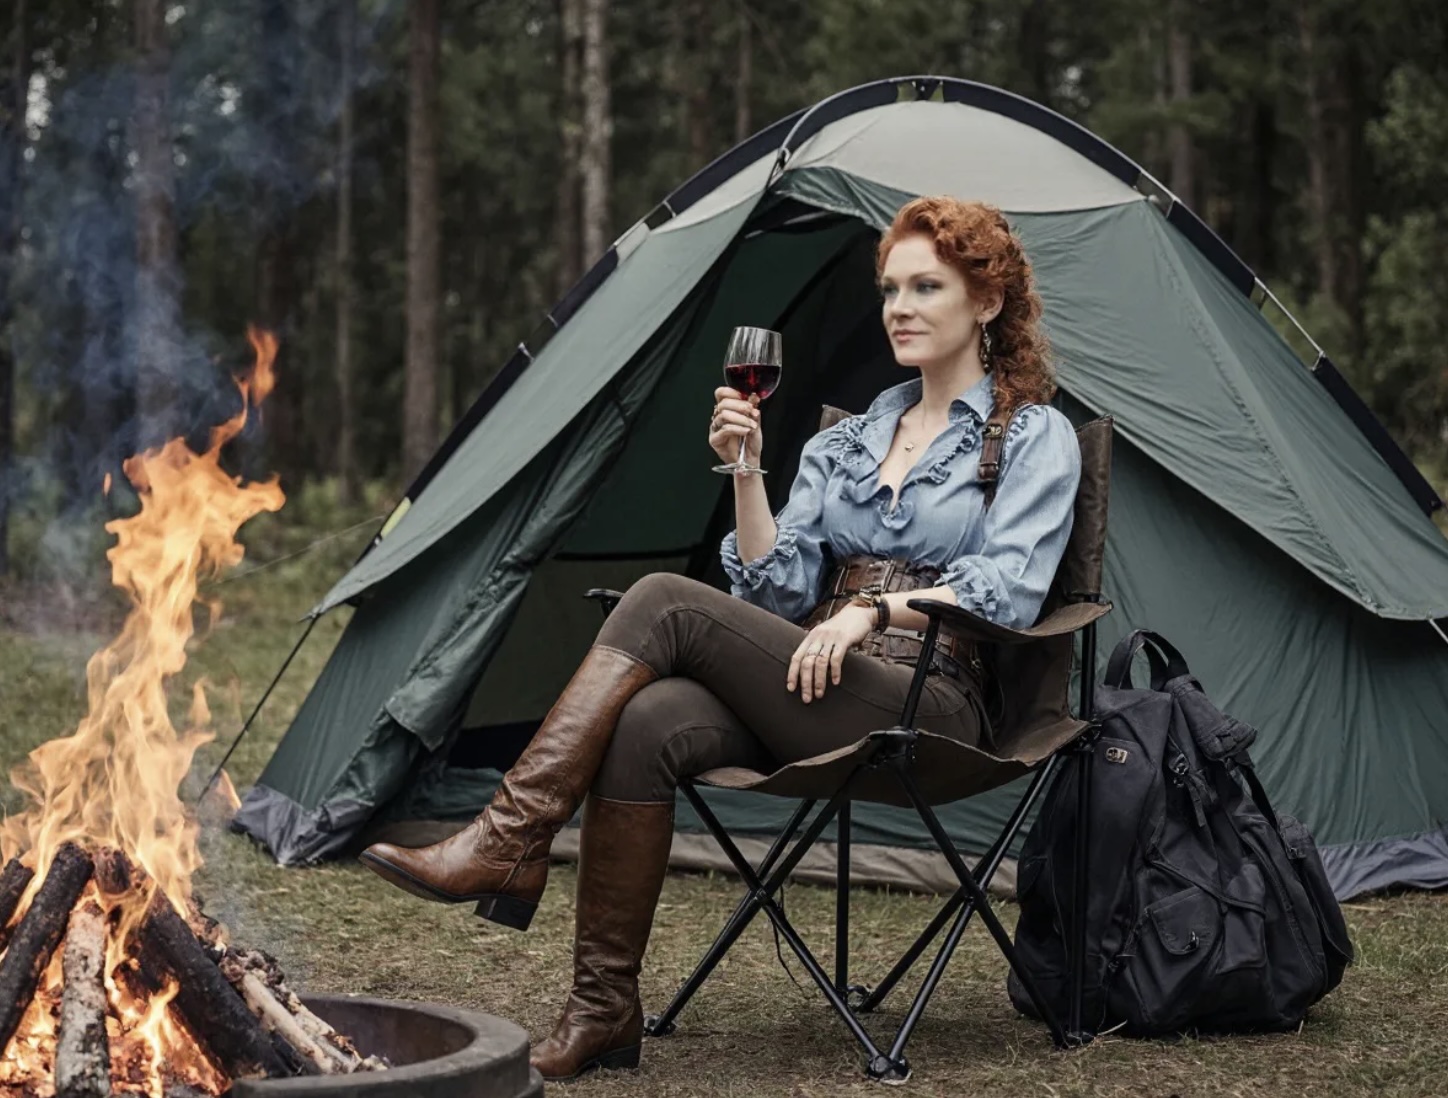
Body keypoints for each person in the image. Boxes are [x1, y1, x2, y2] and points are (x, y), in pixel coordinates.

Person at [359, 196, 1082, 1082]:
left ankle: (509, 839)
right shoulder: (847, 443)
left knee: (665, 599)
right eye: (890, 286)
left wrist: (872, 611)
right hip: (819, 682)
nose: (899, 305)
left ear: (988, 302)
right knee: (646, 720)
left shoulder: (1032, 436)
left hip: (932, 700)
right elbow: (778, 586)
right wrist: (746, 470)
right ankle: (603, 1009)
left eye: (926, 286)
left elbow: (1009, 589)